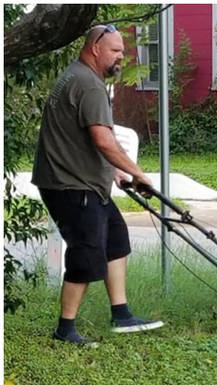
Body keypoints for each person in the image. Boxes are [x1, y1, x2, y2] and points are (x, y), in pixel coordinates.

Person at [31, 25, 164, 344]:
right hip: (70, 185)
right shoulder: (88, 85)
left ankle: (122, 314)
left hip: (82, 181)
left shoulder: (77, 76)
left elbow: (77, 136)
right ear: (95, 49)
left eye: (122, 50)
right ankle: (65, 330)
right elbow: (103, 140)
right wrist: (137, 173)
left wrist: (114, 172)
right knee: (86, 254)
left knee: (116, 239)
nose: (121, 56)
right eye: (115, 51)